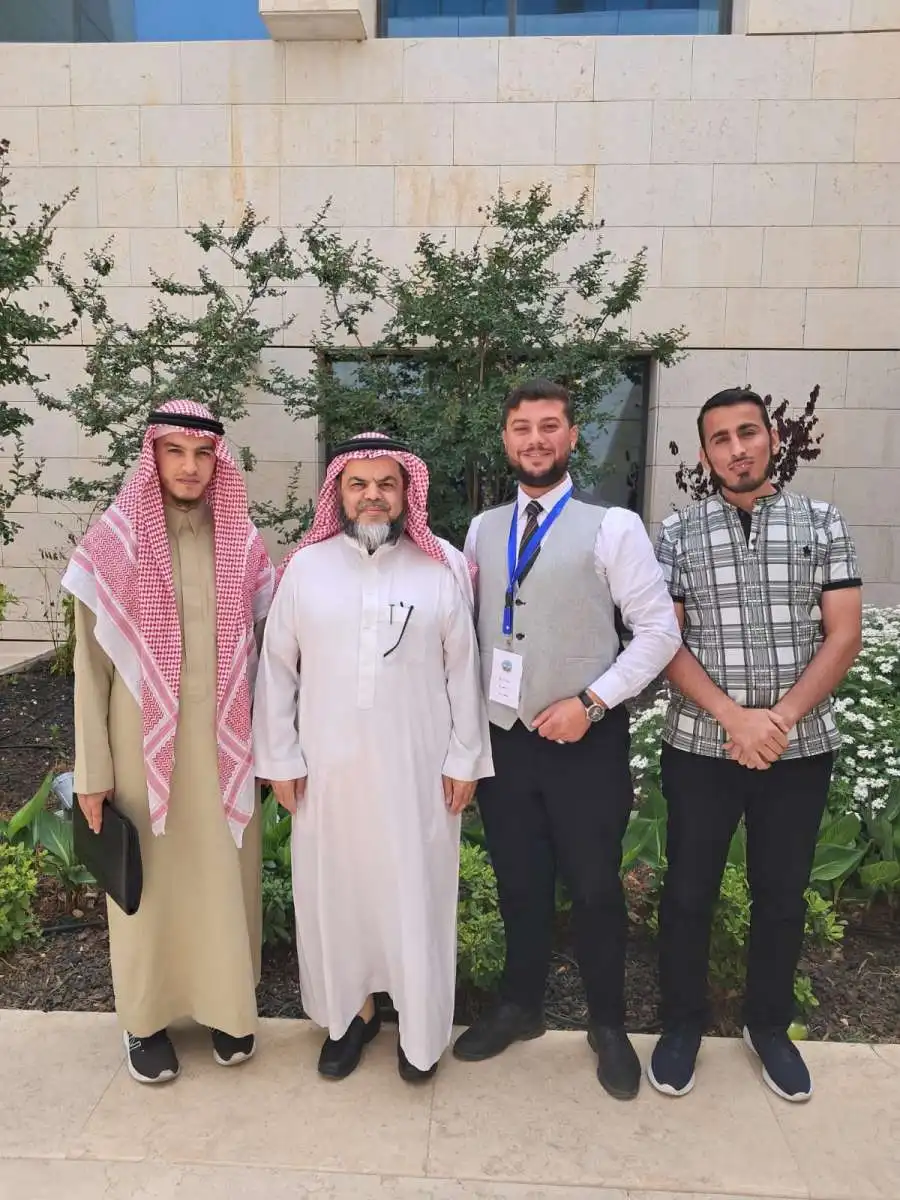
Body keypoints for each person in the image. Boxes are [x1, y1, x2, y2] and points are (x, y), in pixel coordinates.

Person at [454, 379, 682, 1100]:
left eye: (549, 425)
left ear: (573, 435)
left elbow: (658, 633)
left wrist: (592, 701)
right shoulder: (481, 530)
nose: (536, 439)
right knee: (519, 883)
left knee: (594, 889)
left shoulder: (613, 527)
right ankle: (519, 1006)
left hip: (585, 743)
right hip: (505, 741)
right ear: (505, 439)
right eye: (522, 427)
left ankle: (606, 1024)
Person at [253, 432, 492, 1083]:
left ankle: (419, 1034)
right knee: (338, 898)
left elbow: (463, 671)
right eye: (358, 484)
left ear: (407, 491)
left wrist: (465, 758)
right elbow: (277, 670)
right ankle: (348, 1019)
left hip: (418, 776)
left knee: (415, 898)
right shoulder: (306, 569)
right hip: (327, 776)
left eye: (387, 483)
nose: (373, 496)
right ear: (339, 491)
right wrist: (281, 758)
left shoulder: (439, 568)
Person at [651, 387, 862, 1103]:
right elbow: (665, 639)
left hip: (798, 749)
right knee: (687, 892)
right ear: (705, 453)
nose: (737, 449)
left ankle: (768, 1026)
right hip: (699, 746)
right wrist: (733, 718)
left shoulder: (822, 522)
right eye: (721, 439)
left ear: (771, 438)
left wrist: (779, 719)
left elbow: (844, 634)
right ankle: (681, 1024)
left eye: (748, 433)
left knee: (781, 894)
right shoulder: (676, 534)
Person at [62, 399, 275, 1085]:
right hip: (138, 753)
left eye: (203, 453)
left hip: (226, 750)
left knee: (223, 880)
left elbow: (269, 657)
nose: (189, 466)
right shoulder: (112, 544)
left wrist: (275, 751)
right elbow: (89, 669)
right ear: (152, 456)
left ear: (219, 462)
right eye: (175, 451)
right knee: (147, 888)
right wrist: (93, 771)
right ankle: (145, 1021)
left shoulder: (242, 543)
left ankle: (226, 1007)